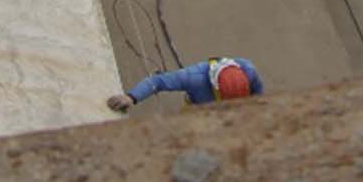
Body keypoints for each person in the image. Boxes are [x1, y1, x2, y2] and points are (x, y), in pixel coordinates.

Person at [106, 56, 264, 112]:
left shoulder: (249, 73)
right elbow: (158, 82)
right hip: (199, 108)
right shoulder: (194, 78)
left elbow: (260, 99)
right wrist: (131, 97)